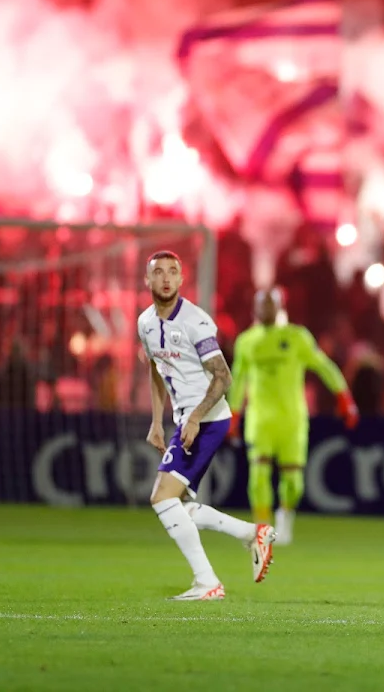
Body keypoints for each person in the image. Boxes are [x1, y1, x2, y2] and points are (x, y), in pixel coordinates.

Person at [140, 251, 275, 601]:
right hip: (185, 419)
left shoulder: (196, 322)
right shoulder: (145, 324)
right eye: (159, 272)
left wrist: (197, 417)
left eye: (173, 272)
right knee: (178, 506)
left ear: (182, 280)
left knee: (161, 496)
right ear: (148, 280)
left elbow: (223, 376)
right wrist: (156, 421)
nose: (166, 278)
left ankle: (207, 582)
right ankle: (251, 534)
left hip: (208, 419)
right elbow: (155, 370)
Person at [228, 287, 359, 545]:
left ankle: (285, 518)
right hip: (260, 420)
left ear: (279, 306)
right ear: (254, 309)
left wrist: (344, 398)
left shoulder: (297, 337)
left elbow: (324, 366)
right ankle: (262, 530)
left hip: (292, 421)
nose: (265, 309)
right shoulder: (246, 341)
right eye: (260, 304)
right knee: (258, 477)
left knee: (294, 483)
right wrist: (233, 416)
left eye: (269, 304)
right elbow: (239, 381)